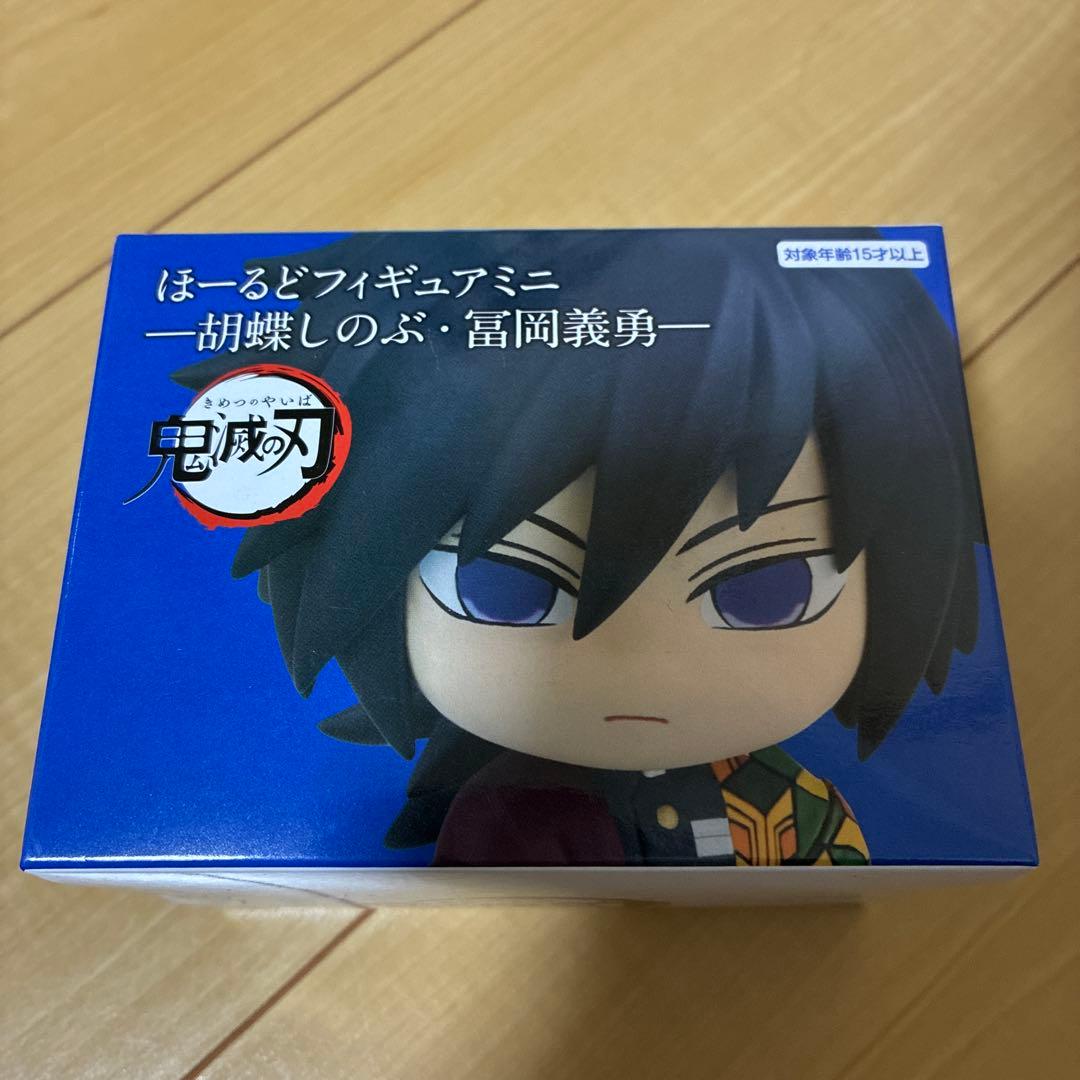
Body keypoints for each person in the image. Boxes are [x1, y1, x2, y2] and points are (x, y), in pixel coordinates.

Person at [176, 228, 981, 866]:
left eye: (768, 588)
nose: (643, 666)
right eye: (504, 586)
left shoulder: (801, 805)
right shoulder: (507, 822)